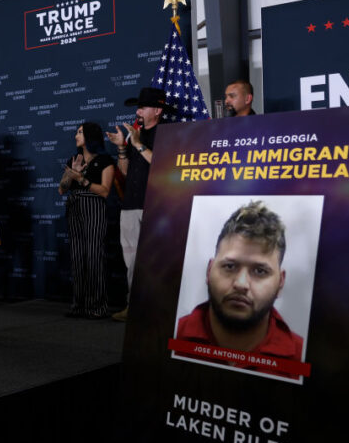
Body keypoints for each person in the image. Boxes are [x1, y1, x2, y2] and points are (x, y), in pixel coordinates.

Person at [175, 201, 303, 378]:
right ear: (209, 270)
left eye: (260, 271)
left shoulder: (301, 359)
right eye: (229, 266)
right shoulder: (172, 335)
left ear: (280, 282)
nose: (241, 284)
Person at [105, 87, 169, 322]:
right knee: (131, 262)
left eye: (143, 107)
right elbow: (125, 171)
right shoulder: (135, 135)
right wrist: (123, 147)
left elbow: (163, 164)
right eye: (138, 107)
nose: (138, 111)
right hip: (130, 206)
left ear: (158, 110)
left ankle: (159, 309)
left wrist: (139, 144)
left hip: (156, 206)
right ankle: (134, 306)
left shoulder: (166, 133)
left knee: (156, 262)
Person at [59, 122, 114, 318]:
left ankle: (97, 307)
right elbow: (62, 189)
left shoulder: (105, 160)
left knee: (93, 256)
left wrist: (81, 179)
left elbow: (105, 191)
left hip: (93, 208)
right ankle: (79, 305)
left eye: (80, 132)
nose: (75, 135)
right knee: (77, 257)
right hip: (74, 208)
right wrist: (70, 175)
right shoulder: (75, 159)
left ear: (90, 135)